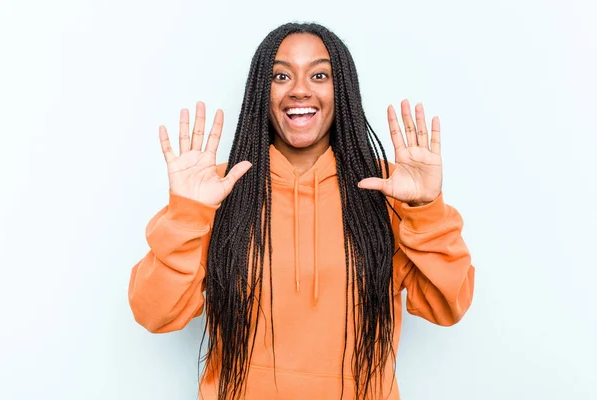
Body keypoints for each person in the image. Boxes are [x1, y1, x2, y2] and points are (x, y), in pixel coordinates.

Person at [128, 22, 475, 400]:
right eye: (281, 75)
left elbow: (448, 306)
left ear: (341, 89)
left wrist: (425, 208)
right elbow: (155, 314)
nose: (299, 89)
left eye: (319, 74)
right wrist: (187, 214)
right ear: (263, 90)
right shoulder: (217, 189)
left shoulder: (387, 188)